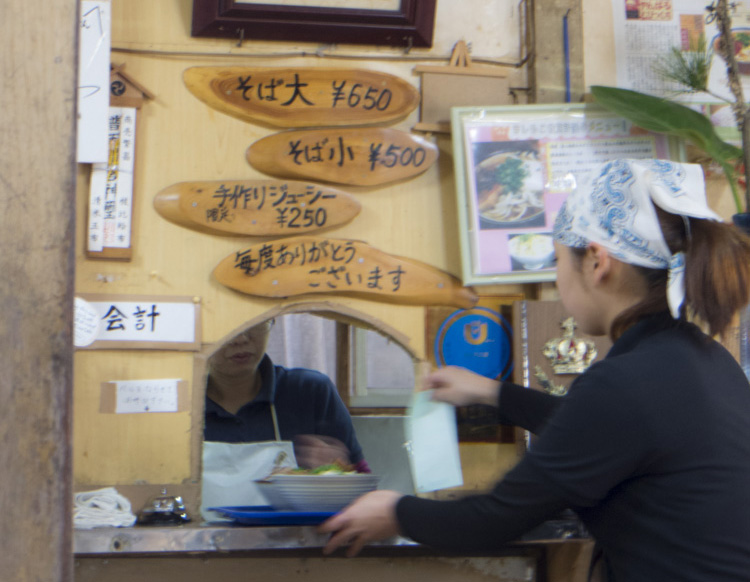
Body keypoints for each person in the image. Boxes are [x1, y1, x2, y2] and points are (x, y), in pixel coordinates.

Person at [319, 159, 750, 582]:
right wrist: (492, 393)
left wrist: (395, 512)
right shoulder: (704, 362)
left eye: (559, 260)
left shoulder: (625, 384)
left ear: (597, 262)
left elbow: (493, 519)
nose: (558, 282)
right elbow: (594, 431)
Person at [201, 319, 368, 517]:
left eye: (254, 323)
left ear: (271, 322)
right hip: (198, 545)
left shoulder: (310, 391)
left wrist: (336, 476)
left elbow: (363, 492)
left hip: (295, 544)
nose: (241, 338)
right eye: (226, 325)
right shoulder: (180, 407)